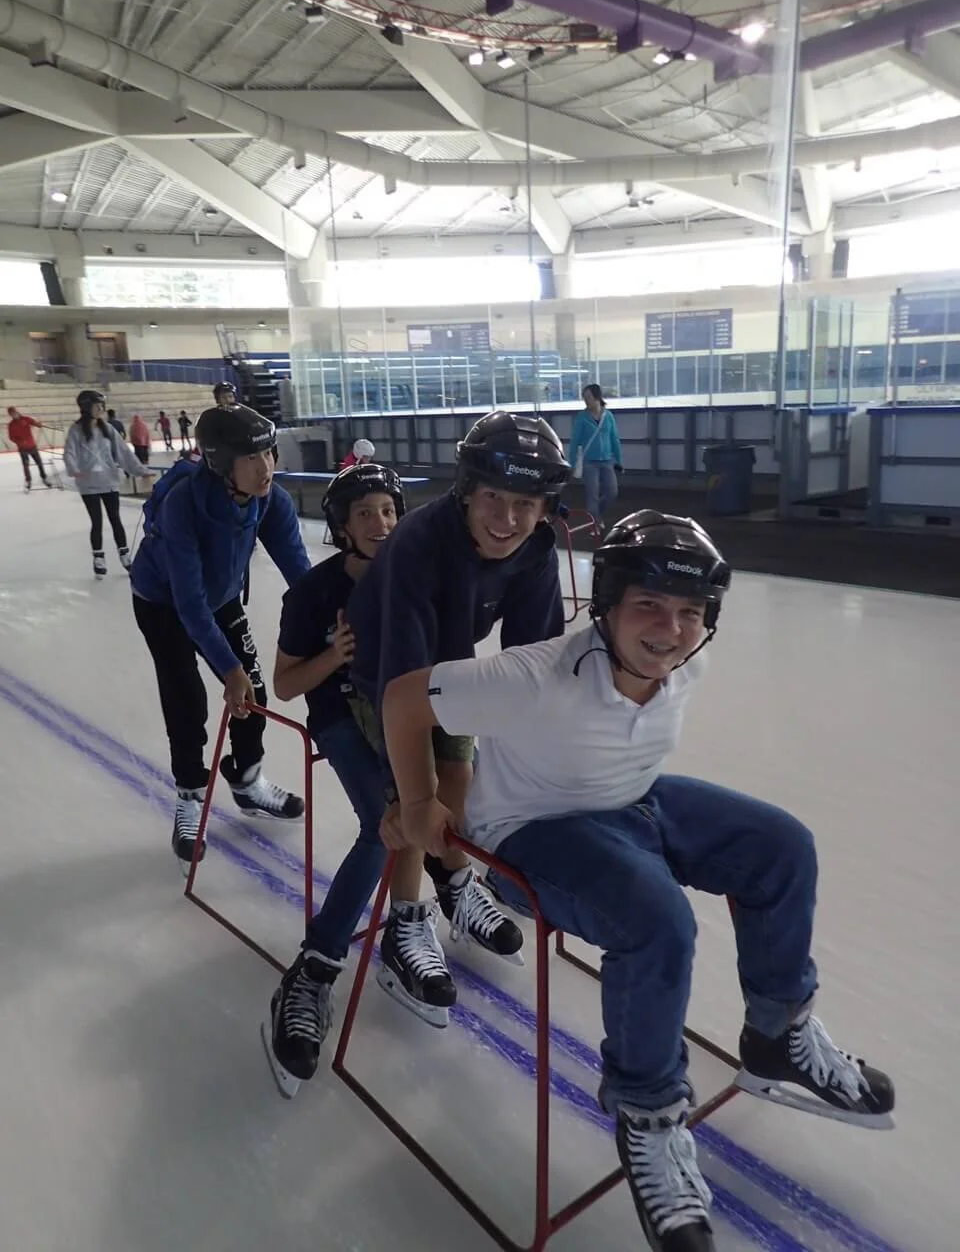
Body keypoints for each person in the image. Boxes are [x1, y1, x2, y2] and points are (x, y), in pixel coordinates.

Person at [380, 509, 895, 1252]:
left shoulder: (687, 661)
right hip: (532, 838)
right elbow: (403, 697)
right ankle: (648, 1115)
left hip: (634, 804)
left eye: (690, 612)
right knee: (658, 922)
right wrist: (422, 801)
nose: (670, 630)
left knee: (781, 846)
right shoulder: (536, 677)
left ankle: (776, 1034)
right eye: (649, 605)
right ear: (608, 604)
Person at [339, 410, 571, 1030]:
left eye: (526, 502)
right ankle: (406, 924)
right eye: (494, 497)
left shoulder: (534, 551)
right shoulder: (418, 544)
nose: (508, 518)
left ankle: (458, 884)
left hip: (449, 667)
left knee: (459, 790)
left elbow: (533, 670)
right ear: (467, 490)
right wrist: (412, 799)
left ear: (545, 508)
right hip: (380, 675)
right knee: (414, 808)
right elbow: (400, 692)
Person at [262, 462, 406, 1096]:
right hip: (339, 715)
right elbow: (287, 685)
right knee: (382, 827)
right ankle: (314, 968)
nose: (381, 523)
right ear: (343, 527)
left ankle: (417, 916)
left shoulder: (410, 580)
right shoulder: (314, 593)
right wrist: (336, 656)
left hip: (398, 709)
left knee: (457, 788)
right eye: (366, 513)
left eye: (388, 510)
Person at [130, 404, 312, 873]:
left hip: (222, 598)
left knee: (255, 692)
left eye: (269, 453)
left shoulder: (271, 499)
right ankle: (191, 794)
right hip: (163, 604)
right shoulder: (183, 505)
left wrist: (336, 619)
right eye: (251, 459)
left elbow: (303, 576)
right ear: (220, 462)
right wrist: (228, 671)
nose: (266, 466)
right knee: (187, 698)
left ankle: (246, 778)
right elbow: (189, 604)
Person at [63, 390, 155, 578]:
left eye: (102, 405)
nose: (101, 409)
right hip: (88, 485)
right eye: (97, 405)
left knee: (115, 520)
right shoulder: (76, 430)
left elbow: (124, 453)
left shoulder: (107, 429)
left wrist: (141, 471)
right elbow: (69, 452)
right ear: (86, 407)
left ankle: (125, 555)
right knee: (96, 522)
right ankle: (99, 558)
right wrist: (73, 469)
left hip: (109, 482)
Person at [568, 384, 623, 533]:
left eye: (588, 397)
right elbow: (575, 442)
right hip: (589, 462)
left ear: (597, 397)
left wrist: (619, 459)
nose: (586, 401)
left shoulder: (609, 416)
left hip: (607, 460)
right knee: (592, 495)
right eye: (584, 398)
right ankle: (595, 523)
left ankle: (596, 515)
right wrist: (571, 463)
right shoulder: (581, 418)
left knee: (612, 493)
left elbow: (614, 439)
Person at [6, 405, 50, 490]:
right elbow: (11, 437)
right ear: (10, 415)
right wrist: (19, 442)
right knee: (26, 465)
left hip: (32, 446)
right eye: (11, 413)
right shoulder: (11, 425)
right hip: (22, 449)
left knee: (39, 463)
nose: (13, 414)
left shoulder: (26, 419)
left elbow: (34, 423)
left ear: (16, 412)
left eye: (14, 412)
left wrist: (38, 424)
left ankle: (44, 478)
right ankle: (28, 481)